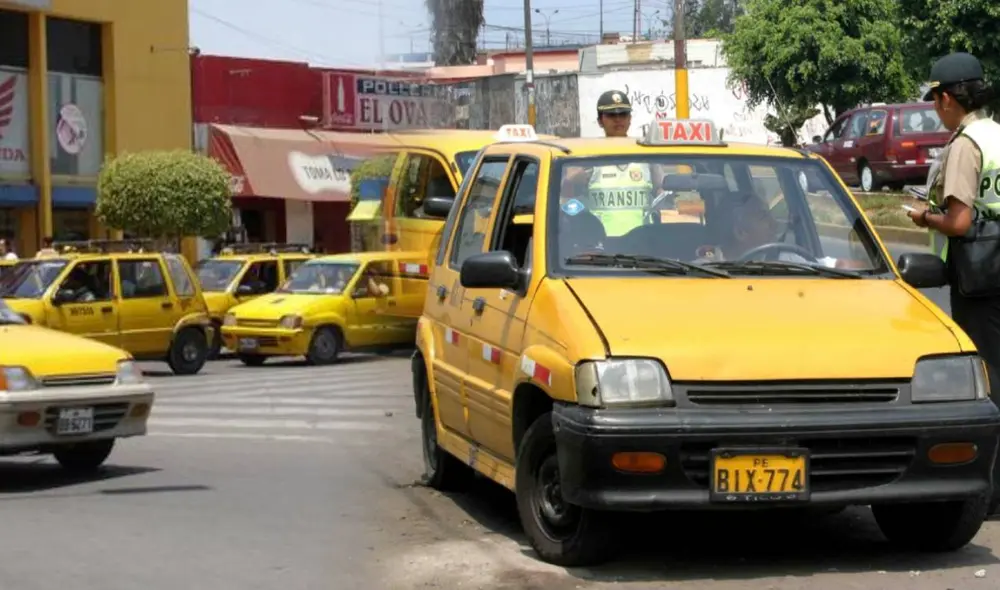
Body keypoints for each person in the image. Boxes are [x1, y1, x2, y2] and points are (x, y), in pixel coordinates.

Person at [906, 51, 1000, 512]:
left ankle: (992, 491)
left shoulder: (966, 144)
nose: (934, 108)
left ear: (947, 98)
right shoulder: (997, 135)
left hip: (980, 275)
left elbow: (960, 222)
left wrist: (923, 214)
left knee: (989, 379)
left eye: (935, 99)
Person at [560, 90, 661, 237]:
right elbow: (566, 200)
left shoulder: (646, 157)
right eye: (612, 115)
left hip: (643, 244)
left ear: (630, 119)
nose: (618, 120)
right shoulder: (589, 157)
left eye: (623, 115)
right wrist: (572, 180)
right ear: (600, 120)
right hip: (602, 246)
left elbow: (661, 193)